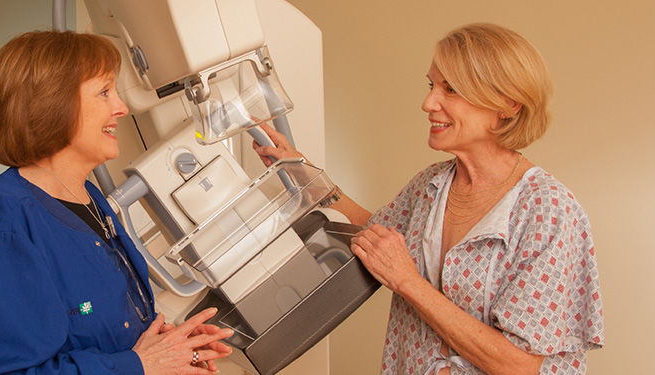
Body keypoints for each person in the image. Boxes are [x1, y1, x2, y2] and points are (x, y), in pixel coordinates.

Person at [252, 23, 604, 374]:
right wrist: (305, 176)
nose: (428, 103)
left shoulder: (549, 211)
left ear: (507, 104)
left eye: (451, 90)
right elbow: (380, 235)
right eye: (432, 85)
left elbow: (519, 364)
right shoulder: (432, 184)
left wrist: (408, 282)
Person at [0, 30, 235, 375]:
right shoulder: (3, 226)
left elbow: (108, 330)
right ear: (52, 104)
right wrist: (140, 365)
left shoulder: (88, 198)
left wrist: (175, 349)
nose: (122, 107)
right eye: (104, 92)